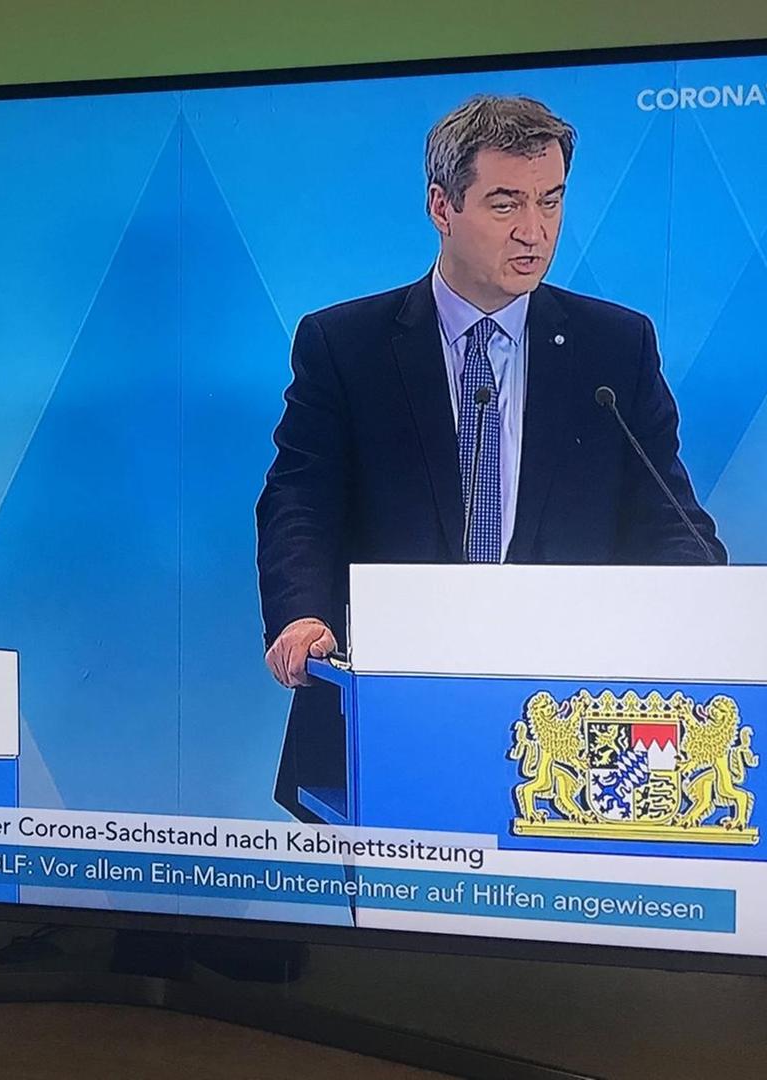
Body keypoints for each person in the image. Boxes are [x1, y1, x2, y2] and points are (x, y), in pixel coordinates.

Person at [255, 95, 723, 820]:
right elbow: (300, 500)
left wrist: (689, 603)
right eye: (505, 205)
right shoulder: (348, 347)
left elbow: (671, 521)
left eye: (551, 201)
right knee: (396, 931)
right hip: (391, 707)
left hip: (578, 719)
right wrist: (303, 614)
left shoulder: (614, 348)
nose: (534, 232)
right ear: (442, 207)